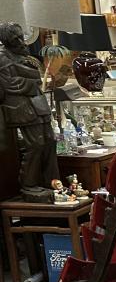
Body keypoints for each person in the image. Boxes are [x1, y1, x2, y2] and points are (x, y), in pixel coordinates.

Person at [0, 22, 59, 202]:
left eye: (21, 37)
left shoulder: (22, 55)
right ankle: (29, 184)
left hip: (37, 103)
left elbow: (31, 75)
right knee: (35, 144)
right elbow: (9, 84)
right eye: (15, 39)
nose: (21, 42)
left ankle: (51, 181)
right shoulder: (2, 57)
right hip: (22, 107)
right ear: (6, 41)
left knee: (50, 141)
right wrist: (32, 81)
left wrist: (30, 78)